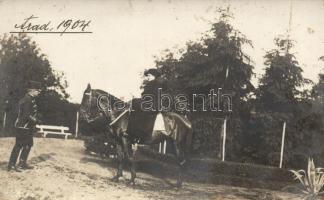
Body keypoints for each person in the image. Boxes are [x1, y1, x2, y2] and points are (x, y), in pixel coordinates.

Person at [7, 81, 42, 172]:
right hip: (23, 126)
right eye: (38, 91)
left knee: (29, 144)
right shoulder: (27, 100)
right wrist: (36, 120)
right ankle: (11, 165)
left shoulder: (30, 99)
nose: (39, 92)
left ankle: (22, 163)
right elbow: (26, 115)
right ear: (32, 90)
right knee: (19, 145)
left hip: (27, 126)